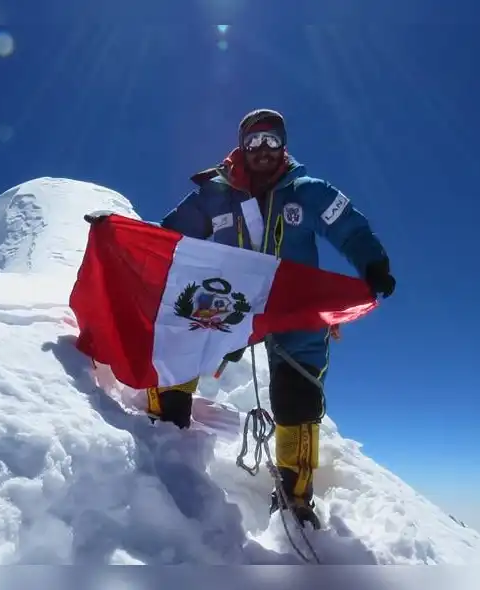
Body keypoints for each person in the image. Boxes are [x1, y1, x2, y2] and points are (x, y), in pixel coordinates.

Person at [147, 108, 395, 529]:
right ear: (242, 147)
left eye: (272, 140)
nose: (263, 149)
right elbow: (169, 234)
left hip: (292, 302)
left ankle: (294, 497)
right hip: (232, 301)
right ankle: (165, 436)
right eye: (254, 141)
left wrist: (373, 263)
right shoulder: (215, 194)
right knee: (182, 343)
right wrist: (123, 239)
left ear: (284, 145)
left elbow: (349, 228)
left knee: (298, 393)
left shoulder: (307, 192)